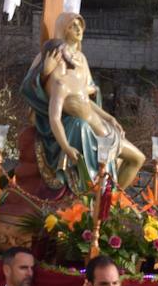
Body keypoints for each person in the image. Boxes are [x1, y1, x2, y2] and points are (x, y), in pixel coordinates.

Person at [21, 12, 145, 192]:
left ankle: (111, 203)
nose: (78, 29)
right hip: (80, 125)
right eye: (73, 25)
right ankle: (105, 201)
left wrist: (108, 116)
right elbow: (29, 88)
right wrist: (43, 72)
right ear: (63, 30)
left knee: (137, 158)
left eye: (80, 25)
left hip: (98, 123)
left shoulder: (81, 59)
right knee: (123, 158)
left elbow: (87, 95)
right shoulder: (52, 63)